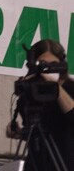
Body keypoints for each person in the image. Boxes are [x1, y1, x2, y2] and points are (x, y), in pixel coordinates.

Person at [15, 39, 74, 171]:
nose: (47, 69)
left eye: (53, 64)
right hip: (37, 163)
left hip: (65, 163)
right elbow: (34, 131)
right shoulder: (31, 92)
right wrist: (19, 133)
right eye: (42, 64)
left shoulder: (70, 89)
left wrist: (56, 88)